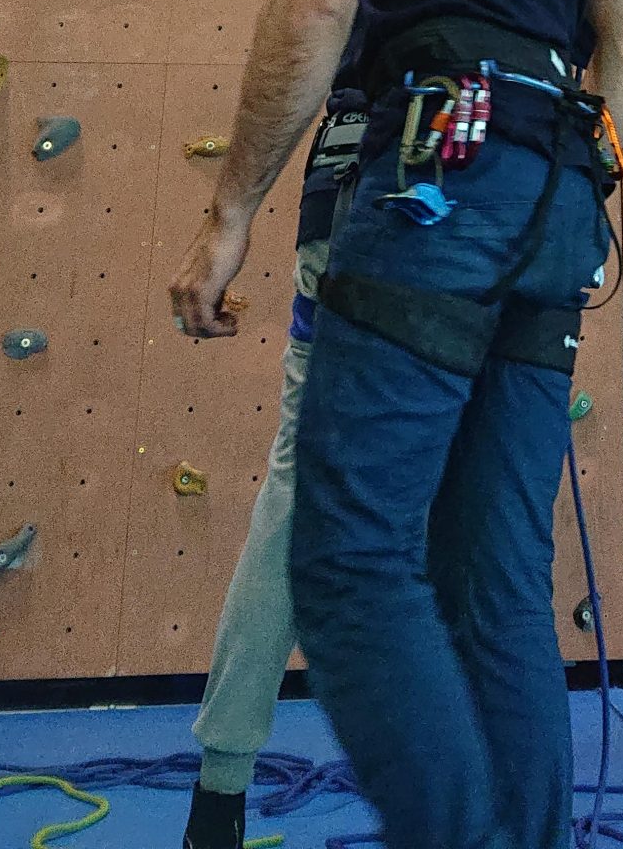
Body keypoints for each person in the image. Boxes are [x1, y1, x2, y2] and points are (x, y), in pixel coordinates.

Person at [166, 0, 623, 849]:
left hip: (439, 167)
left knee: (347, 552)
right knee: (496, 582)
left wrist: (230, 209)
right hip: (555, 183)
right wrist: (584, 182)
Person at [179, 76, 365, 849]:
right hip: (483, 201)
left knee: (295, 488)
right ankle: (470, 801)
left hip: (351, 182)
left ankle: (218, 800)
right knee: (469, 490)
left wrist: (229, 219)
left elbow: (308, 35)